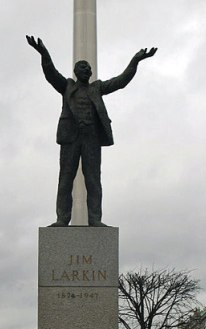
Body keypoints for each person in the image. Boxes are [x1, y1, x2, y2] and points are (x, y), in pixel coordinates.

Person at [26, 35, 157, 227]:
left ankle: (95, 219)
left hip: (91, 139)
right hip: (70, 138)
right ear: (76, 71)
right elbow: (50, 73)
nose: (87, 69)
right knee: (65, 180)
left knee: (94, 181)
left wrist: (135, 60)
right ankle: (62, 219)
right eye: (83, 67)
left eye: (89, 68)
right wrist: (43, 52)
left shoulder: (97, 88)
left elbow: (121, 81)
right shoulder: (67, 86)